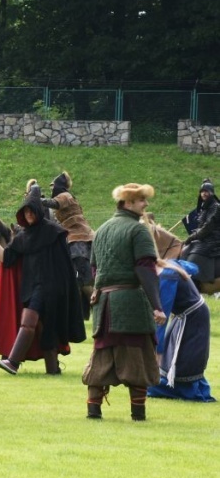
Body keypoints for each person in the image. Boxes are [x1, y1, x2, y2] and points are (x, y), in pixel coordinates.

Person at [82, 183, 167, 421]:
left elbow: (94, 269)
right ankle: (138, 413)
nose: (145, 204)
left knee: (102, 356)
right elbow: (146, 270)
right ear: (127, 203)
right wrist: (157, 306)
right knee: (137, 356)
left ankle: (93, 409)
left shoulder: (101, 230)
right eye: (141, 200)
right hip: (130, 304)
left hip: (104, 305)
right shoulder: (138, 231)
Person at [0, 180, 86, 375]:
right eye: (26, 212)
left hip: (54, 287)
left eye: (32, 211)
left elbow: (64, 265)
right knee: (45, 327)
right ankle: (52, 369)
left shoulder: (54, 232)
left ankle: (13, 362)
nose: (29, 214)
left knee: (31, 320)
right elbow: (6, 257)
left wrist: (64, 288)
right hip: (35, 286)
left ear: (38, 211)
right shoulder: (24, 236)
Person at [149, 259, 214, 402]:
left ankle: (183, 389)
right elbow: (193, 267)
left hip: (191, 316)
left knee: (185, 357)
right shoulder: (169, 264)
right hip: (185, 314)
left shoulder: (167, 275)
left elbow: (161, 318)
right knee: (181, 356)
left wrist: (157, 350)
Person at [41, 171, 95, 315]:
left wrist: (38, 200)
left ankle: (99, 308)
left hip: (80, 239)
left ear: (58, 185)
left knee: (81, 279)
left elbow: (53, 203)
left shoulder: (65, 196)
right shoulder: (66, 197)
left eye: (53, 186)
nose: (52, 189)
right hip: (73, 239)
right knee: (75, 280)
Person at [179, 178, 220, 293]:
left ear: (212, 192)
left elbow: (207, 227)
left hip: (213, 240)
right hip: (203, 239)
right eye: (202, 191)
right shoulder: (204, 208)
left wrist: (192, 237)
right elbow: (201, 226)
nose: (204, 193)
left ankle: (196, 285)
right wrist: (192, 237)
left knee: (193, 259)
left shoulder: (216, 207)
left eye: (206, 191)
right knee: (185, 251)